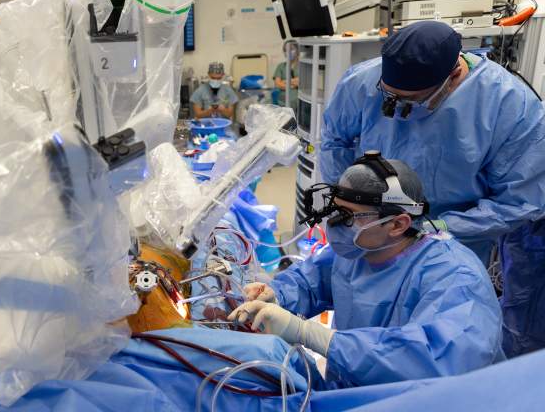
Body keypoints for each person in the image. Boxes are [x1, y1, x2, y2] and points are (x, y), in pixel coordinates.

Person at [317, 20, 545, 357]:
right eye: (389, 97)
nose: (395, 110)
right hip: (375, 232)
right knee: (359, 338)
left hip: (452, 240)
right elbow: (334, 141)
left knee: (432, 348)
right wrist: (350, 204)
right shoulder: (362, 82)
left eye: (409, 102)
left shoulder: (509, 106)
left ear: (452, 77)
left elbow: (519, 201)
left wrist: (435, 229)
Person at [229, 153, 504, 388]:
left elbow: (437, 358)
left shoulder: (457, 277)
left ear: (397, 224)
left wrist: (312, 335)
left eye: (348, 216)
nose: (334, 224)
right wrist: (275, 295)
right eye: (335, 210)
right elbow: (310, 281)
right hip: (351, 388)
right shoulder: (358, 250)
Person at [272, 41, 299, 108]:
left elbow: (300, 83)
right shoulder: (281, 66)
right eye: (285, 50)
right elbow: (277, 84)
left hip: (298, 99)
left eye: (291, 49)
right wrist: (293, 85)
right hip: (282, 99)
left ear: (298, 50)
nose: (288, 52)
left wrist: (284, 81)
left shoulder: (303, 66)